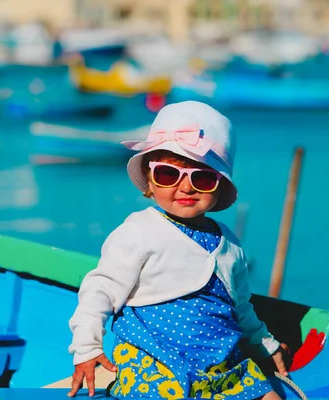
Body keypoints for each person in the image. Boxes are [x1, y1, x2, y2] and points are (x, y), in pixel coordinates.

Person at [68, 101, 289, 399]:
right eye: (169, 175)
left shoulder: (229, 244)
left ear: (220, 186)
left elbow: (241, 308)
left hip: (222, 366)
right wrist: (87, 347)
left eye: (202, 178)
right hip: (156, 365)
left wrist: (265, 344)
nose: (186, 188)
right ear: (150, 179)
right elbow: (100, 290)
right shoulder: (139, 231)